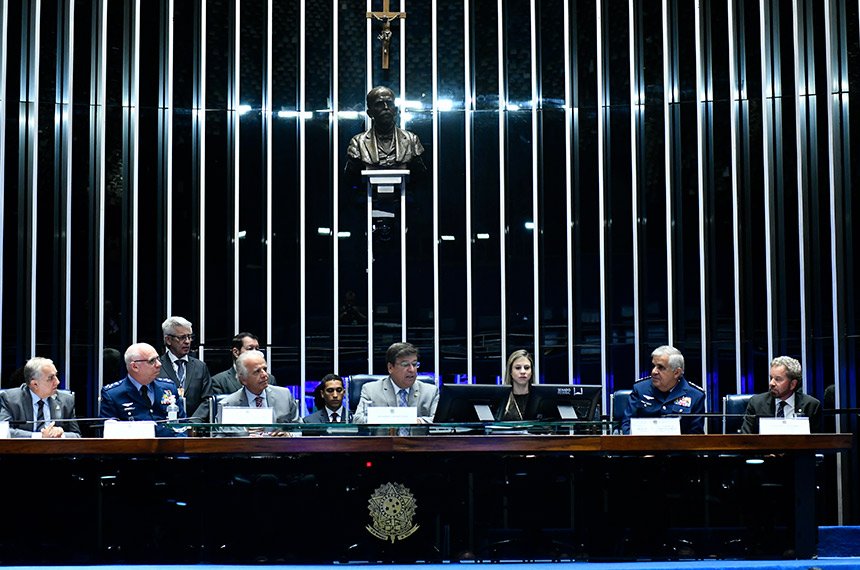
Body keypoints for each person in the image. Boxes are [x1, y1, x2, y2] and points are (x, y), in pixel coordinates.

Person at [100, 343, 187, 437]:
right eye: (152, 361)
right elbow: (110, 435)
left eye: (158, 359)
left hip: (170, 448)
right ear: (134, 366)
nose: (159, 364)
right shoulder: (113, 394)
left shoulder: (168, 387)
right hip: (134, 449)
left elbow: (182, 426)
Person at [621, 345, 706, 434]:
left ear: (676, 373)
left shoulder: (695, 396)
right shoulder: (640, 389)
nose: (654, 372)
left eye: (661, 367)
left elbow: (695, 434)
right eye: (653, 366)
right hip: (642, 446)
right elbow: (627, 424)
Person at [345, 86, 426, 174]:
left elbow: (420, 175)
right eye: (379, 104)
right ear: (370, 113)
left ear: (395, 110)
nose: (386, 107)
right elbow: (351, 177)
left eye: (389, 103)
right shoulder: (358, 142)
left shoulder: (412, 140)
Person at [354, 342, 439, 424]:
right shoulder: (371, 390)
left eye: (414, 364)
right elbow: (358, 420)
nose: (412, 370)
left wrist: (417, 421)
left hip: (417, 439)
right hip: (384, 439)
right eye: (405, 365)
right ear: (390, 368)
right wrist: (392, 418)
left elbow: (440, 422)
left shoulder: (430, 392)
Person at [0, 357, 81, 438]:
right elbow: (4, 432)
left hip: (56, 449)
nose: (57, 382)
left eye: (56, 376)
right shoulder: (10, 399)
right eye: (51, 378)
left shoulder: (66, 400)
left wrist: (60, 435)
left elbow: (77, 435)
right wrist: (41, 436)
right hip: (24, 449)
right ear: (35, 384)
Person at [217, 350, 300, 429]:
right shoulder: (228, 404)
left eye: (265, 369)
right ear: (243, 379)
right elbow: (218, 437)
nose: (264, 375)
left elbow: (299, 430)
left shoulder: (284, 395)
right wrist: (246, 436)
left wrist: (288, 435)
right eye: (257, 371)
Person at [741, 356, 822, 434]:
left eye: (778, 379)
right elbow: (745, 439)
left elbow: (816, 442)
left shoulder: (811, 406)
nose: (771, 383)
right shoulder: (756, 403)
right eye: (771, 378)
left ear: (792, 384)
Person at [157, 316, 213, 417]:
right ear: (168, 340)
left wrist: (193, 423)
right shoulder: (157, 366)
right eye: (182, 337)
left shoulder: (200, 367)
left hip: (195, 427)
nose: (187, 341)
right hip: (166, 424)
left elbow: (207, 400)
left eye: (190, 337)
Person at [211, 332, 278, 394]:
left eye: (257, 349)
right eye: (250, 349)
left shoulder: (270, 379)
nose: (255, 352)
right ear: (236, 352)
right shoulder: (219, 381)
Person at [497, 350, 536, 421]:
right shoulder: (500, 400)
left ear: (532, 372)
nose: (523, 372)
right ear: (510, 372)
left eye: (527, 368)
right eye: (518, 368)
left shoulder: (540, 399)